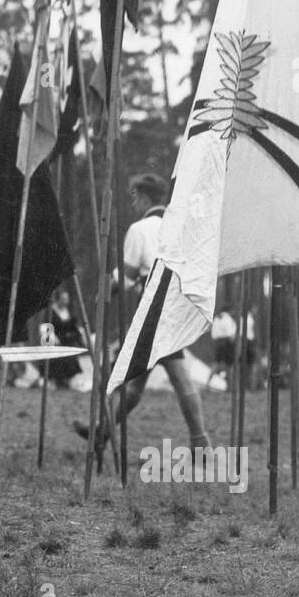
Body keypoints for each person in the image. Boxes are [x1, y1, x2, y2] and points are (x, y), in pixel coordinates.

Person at [75, 173, 212, 457]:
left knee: (176, 376)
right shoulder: (180, 226)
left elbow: (126, 277)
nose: (133, 201)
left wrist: (107, 288)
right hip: (177, 305)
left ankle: (200, 443)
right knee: (136, 379)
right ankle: (102, 432)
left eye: (134, 196)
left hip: (154, 310)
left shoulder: (140, 229)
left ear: (147, 197)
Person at [211, 305, 238, 383]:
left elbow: (213, 333)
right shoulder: (228, 319)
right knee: (229, 364)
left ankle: (208, 383)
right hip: (227, 343)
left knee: (216, 363)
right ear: (230, 310)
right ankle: (229, 384)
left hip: (218, 342)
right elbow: (230, 334)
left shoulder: (217, 318)